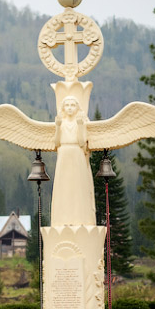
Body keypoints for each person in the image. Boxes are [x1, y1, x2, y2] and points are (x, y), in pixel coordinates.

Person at [51, 96, 96, 226]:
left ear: (77, 108)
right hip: (64, 154)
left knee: (78, 186)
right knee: (63, 186)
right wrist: (58, 126)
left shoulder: (81, 122)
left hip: (77, 154)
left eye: (72, 105)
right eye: (67, 105)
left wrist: (81, 125)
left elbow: (82, 142)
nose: (70, 108)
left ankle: (80, 218)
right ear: (63, 108)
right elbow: (56, 142)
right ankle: (62, 219)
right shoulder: (61, 123)